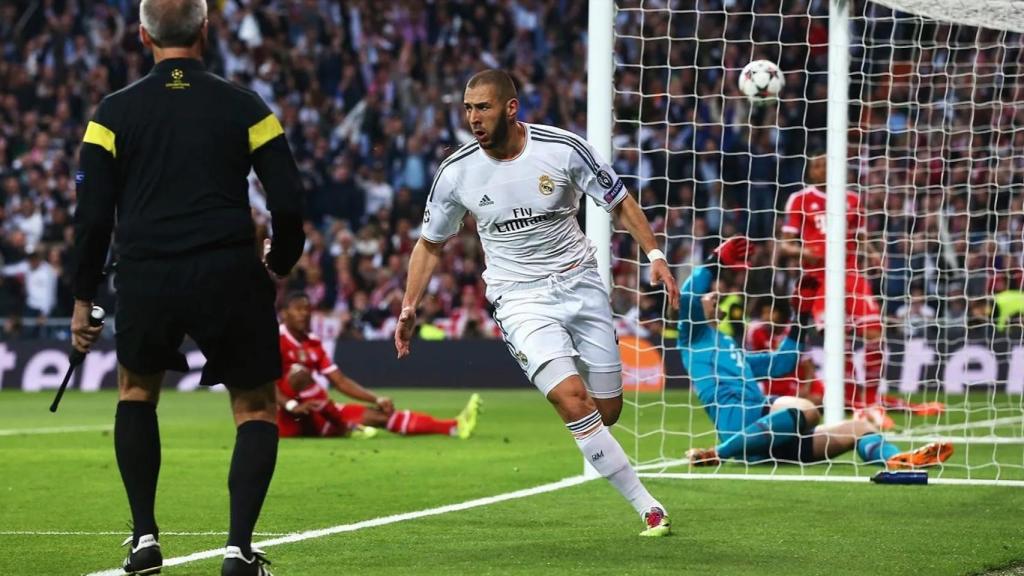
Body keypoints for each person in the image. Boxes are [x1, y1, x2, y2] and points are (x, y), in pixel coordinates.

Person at [70, 1, 304, 574]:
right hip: (227, 268)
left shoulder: (111, 114)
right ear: (206, 29)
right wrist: (283, 256)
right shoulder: (245, 105)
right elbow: (289, 196)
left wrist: (83, 296)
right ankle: (237, 551)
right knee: (254, 409)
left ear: (143, 33)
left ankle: (145, 540)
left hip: (147, 271)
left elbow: (93, 216)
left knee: (136, 395)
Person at [395, 69, 678, 537]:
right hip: (518, 296)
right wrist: (409, 305)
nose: (473, 118)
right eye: (467, 109)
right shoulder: (456, 172)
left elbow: (620, 201)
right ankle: (648, 506)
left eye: (482, 107)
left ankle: (592, 435)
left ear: (510, 107)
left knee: (605, 413)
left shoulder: (562, 149)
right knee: (572, 401)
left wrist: (656, 256)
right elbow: (429, 244)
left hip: (581, 283)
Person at [678, 237, 953, 469]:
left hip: (774, 435)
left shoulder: (730, 349)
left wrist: (802, 316)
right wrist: (717, 262)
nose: (711, 295)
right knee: (808, 409)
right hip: (741, 433)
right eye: (707, 297)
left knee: (858, 429)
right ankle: (719, 452)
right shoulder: (694, 337)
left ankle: (897, 460)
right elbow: (687, 295)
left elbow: (782, 362)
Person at [778, 155, 943, 424]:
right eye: (815, 166)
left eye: (824, 165)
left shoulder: (853, 200)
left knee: (874, 334)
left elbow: (862, 239)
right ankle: (858, 405)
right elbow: (785, 244)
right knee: (837, 340)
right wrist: (802, 250)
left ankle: (870, 401)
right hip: (818, 279)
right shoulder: (800, 199)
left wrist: (874, 254)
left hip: (852, 275)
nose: (819, 170)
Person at [276, 292, 481, 439]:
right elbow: (264, 384)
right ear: (285, 313)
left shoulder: (313, 342)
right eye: (298, 309)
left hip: (317, 412)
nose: (304, 314)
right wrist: (291, 405)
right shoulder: (275, 340)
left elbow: (339, 381)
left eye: (307, 309)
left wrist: (376, 398)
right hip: (286, 418)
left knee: (381, 415)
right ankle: (344, 425)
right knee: (299, 373)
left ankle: (453, 427)